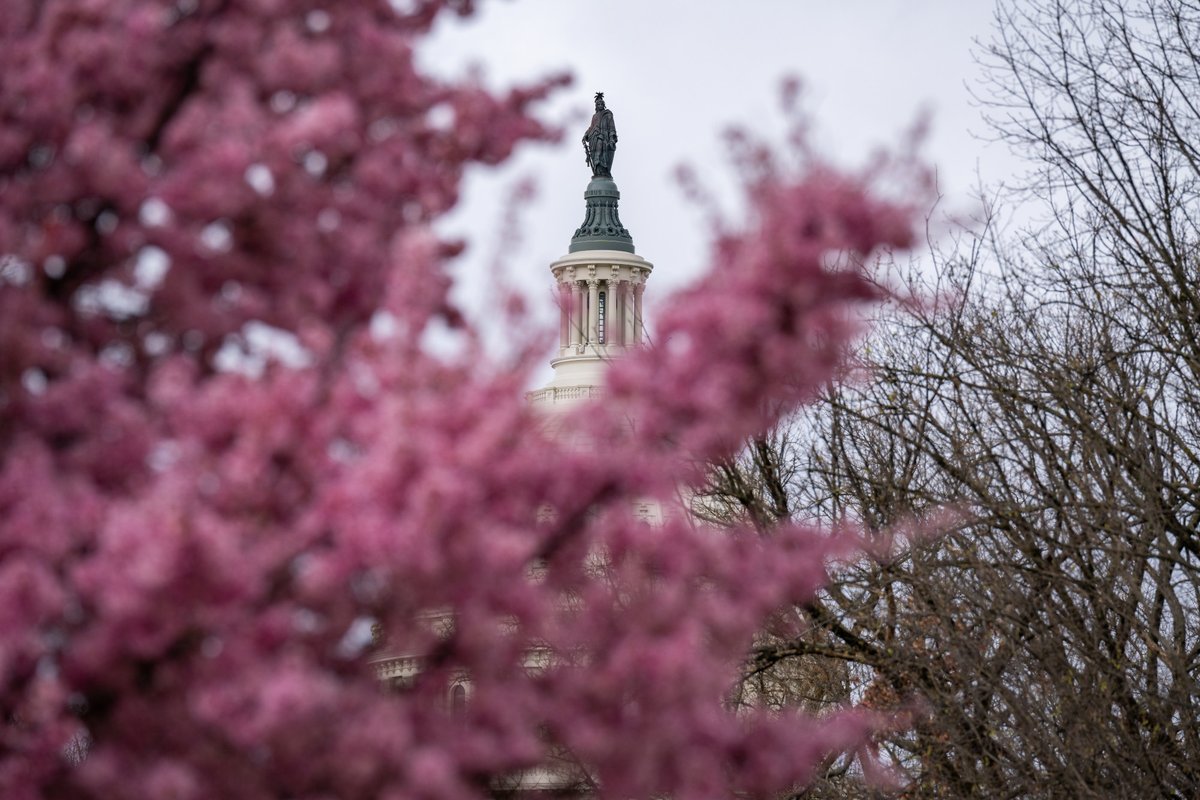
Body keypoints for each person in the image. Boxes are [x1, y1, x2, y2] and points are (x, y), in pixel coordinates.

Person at [582, 92, 617, 178]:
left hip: (602, 137)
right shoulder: (594, 116)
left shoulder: (607, 114)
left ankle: (603, 172)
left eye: (602, 103)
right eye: (598, 104)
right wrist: (586, 134)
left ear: (604, 105)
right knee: (594, 156)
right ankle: (597, 172)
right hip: (593, 138)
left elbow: (612, 127)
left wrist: (612, 138)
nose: (600, 105)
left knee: (601, 155)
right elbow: (591, 127)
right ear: (596, 106)